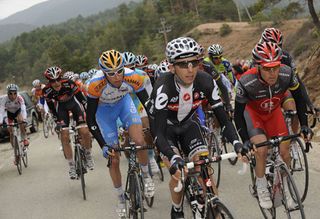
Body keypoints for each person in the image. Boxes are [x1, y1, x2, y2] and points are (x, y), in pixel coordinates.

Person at [148, 37, 243, 218]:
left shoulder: (206, 81)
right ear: (172, 67)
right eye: (183, 64)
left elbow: (223, 119)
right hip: (165, 130)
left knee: (204, 170)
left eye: (194, 62)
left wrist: (237, 142)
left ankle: (213, 208)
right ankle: (177, 209)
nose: (190, 69)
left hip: (189, 125)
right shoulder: (164, 87)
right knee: (179, 177)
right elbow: (158, 133)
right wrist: (173, 157)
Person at [234, 42, 313, 209]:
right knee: (261, 150)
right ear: (258, 67)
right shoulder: (246, 81)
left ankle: (286, 190)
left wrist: (304, 125)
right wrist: (245, 140)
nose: (272, 73)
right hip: (253, 114)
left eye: (275, 67)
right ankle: (261, 186)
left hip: (273, 113)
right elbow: (238, 114)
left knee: (285, 153)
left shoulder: (287, 73)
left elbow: (299, 100)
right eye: (267, 68)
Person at [86, 50, 155, 217]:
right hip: (104, 113)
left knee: (139, 140)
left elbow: (147, 106)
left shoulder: (133, 77)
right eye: (111, 73)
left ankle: (146, 177)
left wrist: (156, 131)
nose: (117, 76)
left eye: (119, 71)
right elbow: (90, 120)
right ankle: (120, 199)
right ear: (103, 72)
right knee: (114, 159)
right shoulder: (95, 84)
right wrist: (103, 145)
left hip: (124, 104)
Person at [42, 66, 94, 179]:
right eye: (52, 81)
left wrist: (88, 111)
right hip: (61, 110)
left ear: (61, 78)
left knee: (84, 132)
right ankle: (71, 166)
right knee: (64, 136)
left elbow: (81, 99)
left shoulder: (68, 83)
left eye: (58, 79)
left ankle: (88, 155)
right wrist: (57, 121)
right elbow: (51, 107)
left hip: (74, 106)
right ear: (49, 81)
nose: (56, 83)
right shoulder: (46, 90)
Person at [0, 84, 29, 163]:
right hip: (9, 114)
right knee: (11, 131)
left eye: (14, 93)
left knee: (21, 120)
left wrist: (24, 118)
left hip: (17, 112)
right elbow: (1, 111)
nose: (13, 96)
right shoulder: (4, 100)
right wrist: (0, 121)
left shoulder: (19, 98)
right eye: (10, 93)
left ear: (17, 93)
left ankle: (24, 138)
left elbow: (23, 109)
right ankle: (15, 151)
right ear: (8, 93)